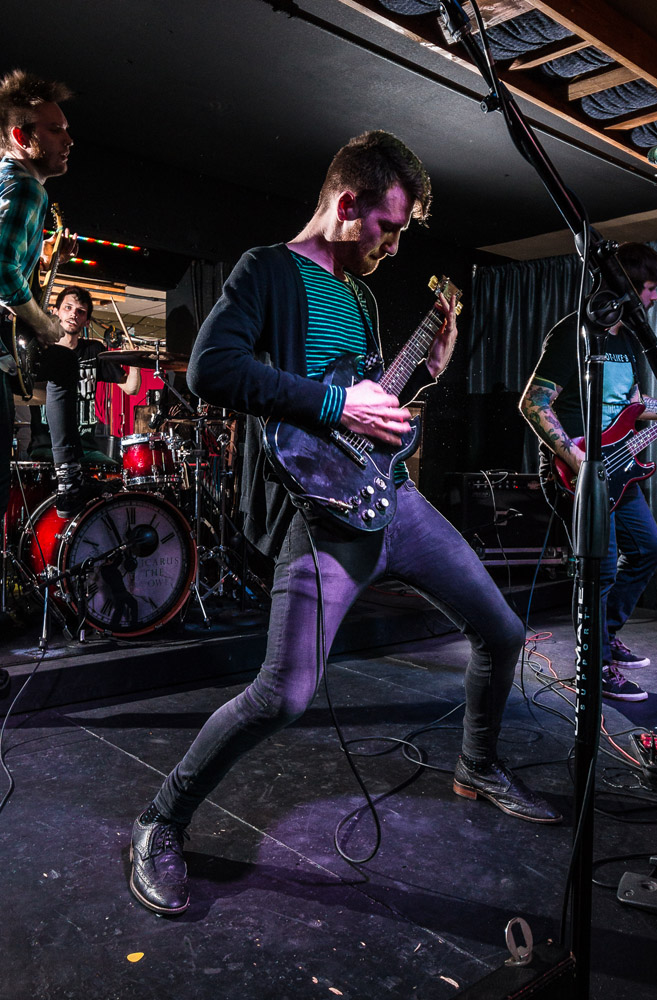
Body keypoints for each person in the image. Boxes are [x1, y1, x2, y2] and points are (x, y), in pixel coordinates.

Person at [129, 130, 561, 917]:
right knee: (282, 697)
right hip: (323, 519)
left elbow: (363, 402)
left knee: (499, 632)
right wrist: (339, 401)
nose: (392, 246)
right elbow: (212, 369)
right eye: (387, 227)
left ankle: (476, 764)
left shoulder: (360, 298)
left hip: (392, 499)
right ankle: (160, 819)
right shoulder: (268, 270)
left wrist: (417, 379)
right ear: (346, 202)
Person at [520, 242, 657, 702]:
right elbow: (534, 402)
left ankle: (604, 635)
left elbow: (632, 408)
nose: (654, 298)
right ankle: (595, 666)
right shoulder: (575, 333)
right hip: (577, 471)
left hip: (618, 466)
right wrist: (577, 460)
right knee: (599, 570)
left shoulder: (629, 341)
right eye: (649, 288)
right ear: (625, 289)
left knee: (648, 550)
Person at [0, 69, 97, 520]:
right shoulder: (24, 187)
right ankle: (68, 474)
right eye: (54, 129)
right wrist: (46, 324)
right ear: (21, 136)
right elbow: (2, 272)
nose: (68, 139)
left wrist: (49, 253)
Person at [28, 284, 142, 464]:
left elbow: (131, 388)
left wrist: (136, 361)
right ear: (55, 311)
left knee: (115, 476)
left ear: (87, 322)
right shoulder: (41, 352)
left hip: (85, 448)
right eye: (68, 308)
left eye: (80, 311)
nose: (74, 314)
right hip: (46, 447)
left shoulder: (94, 351)